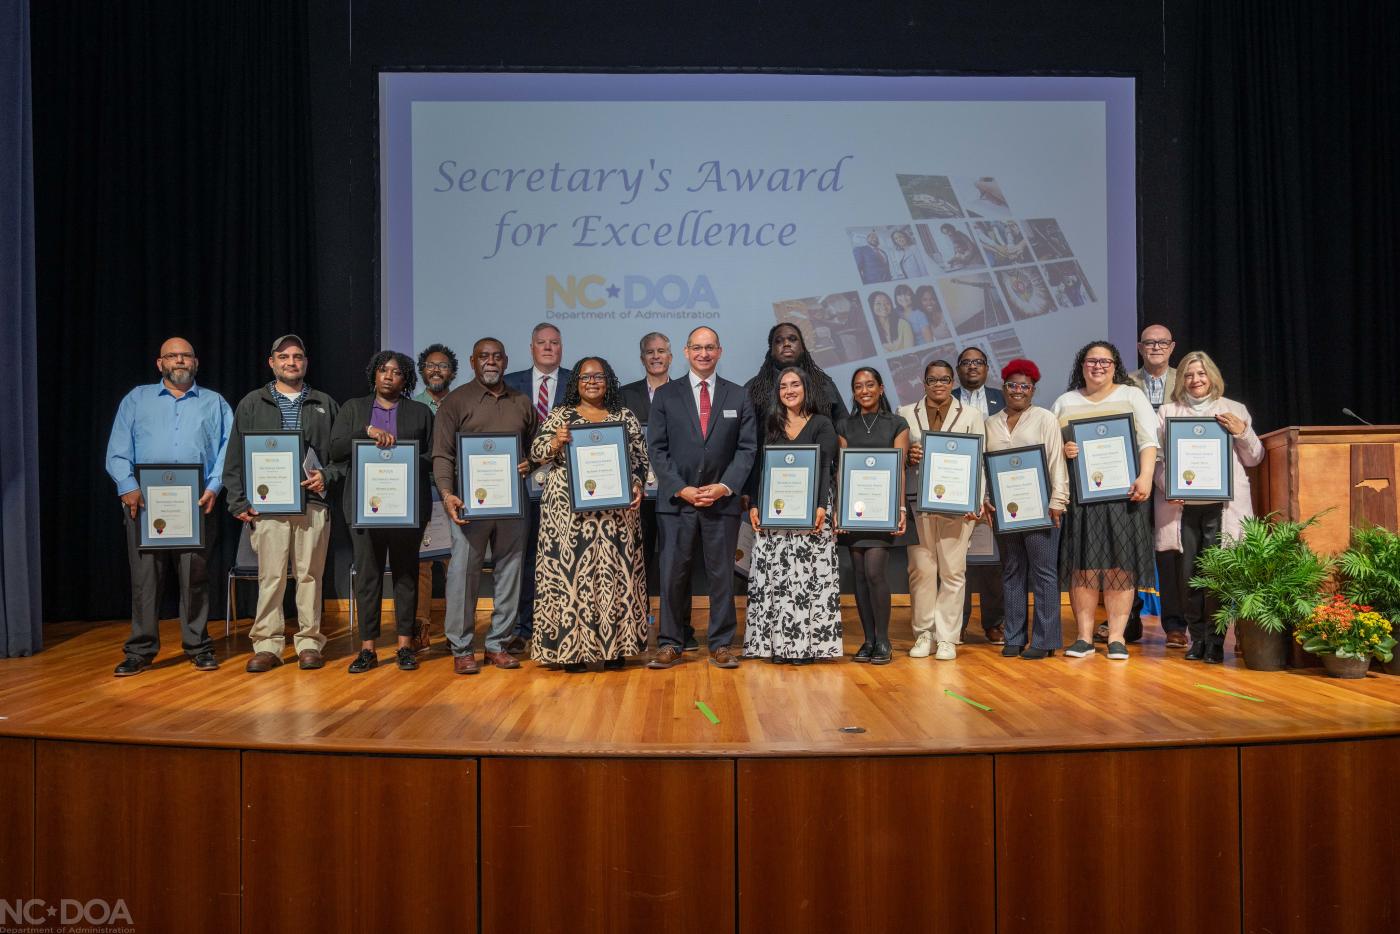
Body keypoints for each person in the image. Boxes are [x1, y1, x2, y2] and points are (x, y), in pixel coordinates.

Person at [105, 337, 233, 676]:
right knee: (145, 580)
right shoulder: (137, 399)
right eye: (172, 356)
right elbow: (117, 448)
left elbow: (229, 449)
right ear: (159, 363)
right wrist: (127, 486)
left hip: (197, 503)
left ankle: (198, 646)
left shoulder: (215, 403)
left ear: (196, 362)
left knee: (195, 578)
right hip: (144, 505)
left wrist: (214, 486)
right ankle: (140, 650)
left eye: (186, 355)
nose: (179, 361)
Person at [223, 335, 339, 673]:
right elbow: (234, 459)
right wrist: (237, 501)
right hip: (268, 508)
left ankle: (308, 642)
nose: (292, 362)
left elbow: (340, 457)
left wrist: (327, 476)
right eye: (284, 357)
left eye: (298, 356)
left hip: (312, 505)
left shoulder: (324, 403)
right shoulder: (252, 403)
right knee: (270, 577)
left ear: (306, 362)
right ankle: (268, 644)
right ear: (271, 362)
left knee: (309, 576)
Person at [646, 326, 758, 670]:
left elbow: (747, 448)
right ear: (686, 352)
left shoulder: (738, 396)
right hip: (677, 503)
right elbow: (656, 448)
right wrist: (681, 487)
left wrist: (725, 487)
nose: (704, 353)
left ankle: (722, 643)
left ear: (720, 352)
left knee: (721, 574)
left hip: (721, 503)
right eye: (697, 347)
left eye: (710, 348)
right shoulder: (666, 395)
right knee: (672, 574)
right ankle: (670, 642)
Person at [530, 358, 650, 672]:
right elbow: (536, 453)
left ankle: (615, 649)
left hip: (615, 518)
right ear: (576, 382)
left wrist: (636, 484)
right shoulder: (560, 416)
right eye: (586, 376)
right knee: (572, 580)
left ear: (608, 381)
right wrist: (557, 441)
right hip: (568, 517)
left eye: (599, 376)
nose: (592, 381)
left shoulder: (625, 417)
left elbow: (639, 460)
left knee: (613, 579)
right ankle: (571, 651)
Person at [432, 337, 539, 674]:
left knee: (510, 572)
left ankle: (498, 644)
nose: (490, 362)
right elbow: (442, 454)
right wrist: (448, 494)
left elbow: (536, 446)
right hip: (468, 506)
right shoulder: (455, 402)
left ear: (506, 361)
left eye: (496, 357)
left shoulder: (522, 401)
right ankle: (462, 646)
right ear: (472, 360)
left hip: (511, 504)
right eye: (483, 357)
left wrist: (531, 463)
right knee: (463, 574)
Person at [1052, 341, 1159, 661]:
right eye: (1091, 361)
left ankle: (1116, 638)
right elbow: (1051, 447)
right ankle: (1084, 637)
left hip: (1124, 495)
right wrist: (1064, 449)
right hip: (1083, 498)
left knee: (1120, 568)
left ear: (1116, 366)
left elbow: (1148, 440)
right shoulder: (1065, 402)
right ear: (1081, 365)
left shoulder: (1131, 396)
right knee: (1083, 569)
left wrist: (1146, 476)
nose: (1098, 366)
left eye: (1105, 361)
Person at [1154, 351, 1263, 663]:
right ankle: (1196, 638)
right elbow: (1158, 461)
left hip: (1222, 508)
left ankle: (1215, 642)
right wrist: (1166, 486)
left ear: (1212, 376)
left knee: (1216, 576)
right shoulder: (1167, 412)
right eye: (1188, 374)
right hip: (1184, 508)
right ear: (1181, 379)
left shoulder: (1234, 410)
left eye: (1201, 374)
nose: (1195, 380)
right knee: (1188, 576)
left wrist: (1242, 432)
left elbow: (1255, 457)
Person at [330, 351, 435, 673]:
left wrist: (405, 459)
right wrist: (367, 432)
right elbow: (335, 449)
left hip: (407, 508)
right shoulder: (353, 409)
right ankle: (368, 649)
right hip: (365, 509)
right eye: (383, 370)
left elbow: (432, 457)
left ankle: (405, 645)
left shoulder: (419, 412)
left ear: (406, 379)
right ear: (373, 374)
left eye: (397, 372)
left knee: (406, 575)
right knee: (368, 577)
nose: (389, 376)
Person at [743, 368, 842, 664]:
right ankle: (776, 645)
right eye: (783, 386)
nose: (789, 390)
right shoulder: (770, 424)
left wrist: (822, 504)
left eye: (795, 384)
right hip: (775, 516)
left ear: (806, 388)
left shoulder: (822, 424)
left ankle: (805, 647)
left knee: (808, 580)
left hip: (813, 513)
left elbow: (825, 466)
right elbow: (760, 468)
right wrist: (755, 504)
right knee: (776, 579)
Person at [898, 359, 986, 660]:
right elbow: (899, 458)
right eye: (933, 380)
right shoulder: (906, 413)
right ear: (924, 383)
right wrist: (910, 455)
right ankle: (924, 633)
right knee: (921, 570)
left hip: (957, 505)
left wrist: (977, 499)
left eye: (945, 379)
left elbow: (980, 459)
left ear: (952, 383)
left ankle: (947, 637)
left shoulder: (972, 415)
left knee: (953, 571)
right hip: (918, 501)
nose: (939, 385)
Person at [983, 359, 1069, 659]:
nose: (1018, 390)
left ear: (1033, 390)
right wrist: (984, 497)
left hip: (1042, 509)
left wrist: (1058, 501)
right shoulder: (990, 423)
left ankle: (1045, 642)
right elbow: (984, 468)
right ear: (1004, 388)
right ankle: (1014, 636)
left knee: (1044, 574)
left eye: (1025, 386)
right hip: (1006, 512)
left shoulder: (1044, 419)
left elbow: (1057, 462)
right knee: (1011, 571)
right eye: (1012, 385)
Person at [620, 332, 696, 650]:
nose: (656, 356)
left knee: (677, 563)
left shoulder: (685, 392)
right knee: (638, 562)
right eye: (649, 352)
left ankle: (682, 629)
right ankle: (638, 628)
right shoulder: (624, 396)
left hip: (676, 491)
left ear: (670, 356)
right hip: (638, 496)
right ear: (642, 358)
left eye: (661, 351)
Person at [503, 322, 572, 651]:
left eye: (554, 343)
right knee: (525, 556)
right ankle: (524, 628)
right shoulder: (510, 384)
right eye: (542, 343)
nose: (548, 348)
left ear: (561, 348)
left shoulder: (577, 383)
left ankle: (562, 625)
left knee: (563, 557)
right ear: (531, 348)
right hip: (521, 482)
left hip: (566, 485)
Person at [836, 367, 908, 665]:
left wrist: (900, 509)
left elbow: (900, 469)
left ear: (880, 388)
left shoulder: (897, 424)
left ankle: (884, 640)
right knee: (861, 576)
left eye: (869, 385)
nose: (864, 391)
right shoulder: (844, 426)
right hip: (854, 513)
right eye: (857, 387)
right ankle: (867, 640)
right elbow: (841, 472)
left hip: (884, 511)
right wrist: (840, 510)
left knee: (876, 572)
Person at [1124, 323, 1185, 647]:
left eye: (1162, 342)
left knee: (1169, 551)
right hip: (1135, 472)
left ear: (1172, 347)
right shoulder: (1125, 384)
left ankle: (1175, 624)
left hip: (1174, 476)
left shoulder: (1185, 380)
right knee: (1130, 549)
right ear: (1139, 347)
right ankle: (1128, 621)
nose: (1156, 347)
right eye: (1149, 343)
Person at [954, 346, 1007, 644]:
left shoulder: (1002, 398)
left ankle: (994, 623)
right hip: (958, 486)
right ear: (958, 369)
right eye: (966, 363)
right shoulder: (945, 399)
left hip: (998, 488)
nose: (972, 367)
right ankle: (956, 623)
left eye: (978, 362)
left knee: (994, 562)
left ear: (987, 368)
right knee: (955, 560)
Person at [411, 342, 459, 653]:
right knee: (422, 566)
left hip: (456, 495)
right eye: (430, 365)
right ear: (421, 372)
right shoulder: (413, 407)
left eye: (442, 366)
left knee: (455, 563)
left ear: (453, 372)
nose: (436, 370)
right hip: (423, 494)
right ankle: (421, 629)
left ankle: (457, 632)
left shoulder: (463, 403)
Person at [744, 322, 849, 426]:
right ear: (771, 351)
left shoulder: (823, 382)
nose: (786, 344)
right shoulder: (753, 388)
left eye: (793, 339)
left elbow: (844, 424)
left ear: (802, 348)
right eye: (779, 341)